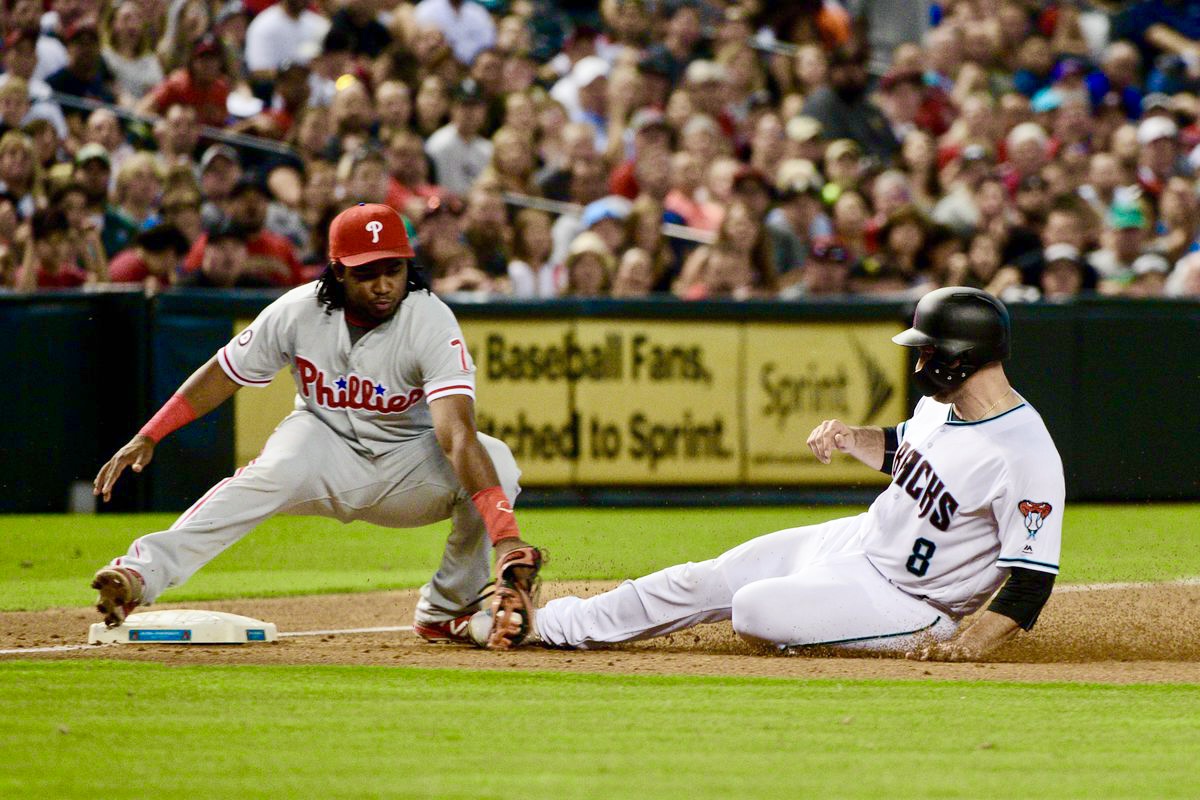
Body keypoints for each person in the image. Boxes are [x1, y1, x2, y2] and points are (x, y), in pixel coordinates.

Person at [497, 288, 1064, 661]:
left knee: (756, 608)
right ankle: (547, 625)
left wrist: (967, 648)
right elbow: (905, 454)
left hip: (913, 604)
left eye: (926, 350)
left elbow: (1032, 579)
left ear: (960, 355)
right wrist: (852, 438)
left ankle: (866, 637)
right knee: (704, 579)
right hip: (856, 543)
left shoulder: (1024, 453)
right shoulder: (943, 407)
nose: (918, 363)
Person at [90, 203, 543, 651]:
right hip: (322, 443)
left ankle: (449, 610)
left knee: (496, 459)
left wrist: (506, 537)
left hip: (408, 461)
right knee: (270, 474)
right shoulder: (299, 310)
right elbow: (224, 372)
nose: (384, 285)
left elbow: (457, 435)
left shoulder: (429, 319)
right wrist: (151, 432)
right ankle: (138, 574)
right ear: (339, 271)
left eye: (394, 269)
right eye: (367, 272)